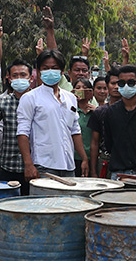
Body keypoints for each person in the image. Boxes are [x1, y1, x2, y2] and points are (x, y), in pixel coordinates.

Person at [16, 49, 89, 179]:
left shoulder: (70, 98)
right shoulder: (30, 98)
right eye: (45, 68)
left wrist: (84, 158)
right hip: (43, 165)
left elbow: (75, 130)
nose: (50, 71)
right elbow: (22, 133)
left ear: (62, 71)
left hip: (68, 165)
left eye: (54, 68)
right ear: (39, 71)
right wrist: (28, 164)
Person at [0, 59, 33, 193]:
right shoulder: (3, 101)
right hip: (9, 164)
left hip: (35, 164)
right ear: (9, 79)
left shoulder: (38, 100)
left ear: (30, 78)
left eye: (23, 75)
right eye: (15, 76)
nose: (19, 78)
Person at [73, 78, 96, 176]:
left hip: (93, 158)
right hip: (74, 157)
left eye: (84, 88)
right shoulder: (71, 111)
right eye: (78, 88)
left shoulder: (95, 112)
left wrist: (98, 112)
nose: (81, 90)